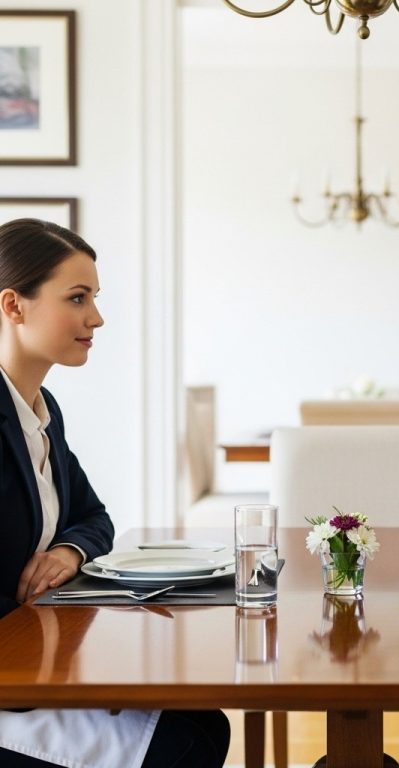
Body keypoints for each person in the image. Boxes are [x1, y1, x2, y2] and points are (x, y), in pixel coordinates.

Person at [0, 219, 231, 768]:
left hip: (35, 656)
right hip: (12, 680)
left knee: (204, 722)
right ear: (13, 305)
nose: (96, 318)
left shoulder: (42, 412)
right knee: (185, 742)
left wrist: (68, 551)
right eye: (77, 298)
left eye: (94, 298)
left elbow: (95, 517)